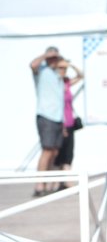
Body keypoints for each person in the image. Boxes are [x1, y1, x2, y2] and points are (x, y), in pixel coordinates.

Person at [28, 47, 68, 196]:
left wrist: (63, 123)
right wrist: (46, 55)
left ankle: (48, 183)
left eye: (55, 58)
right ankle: (39, 186)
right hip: (46, 116)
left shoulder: (58, 75)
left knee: (54, 152)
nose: (54, 60)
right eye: (52, 58)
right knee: (47, 150)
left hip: (58, 119)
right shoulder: (41, 71)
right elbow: (32, 65)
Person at [52, 58, 84, 177]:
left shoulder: (66, 82)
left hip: (70, 124)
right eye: (61, 68)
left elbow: (81, 76)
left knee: (68, 154)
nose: (63, 70)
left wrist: (70, 65)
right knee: (58, 156)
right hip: (60, 124)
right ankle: (53, 182)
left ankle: (67, 181)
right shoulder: (53, 85)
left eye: (65, 68)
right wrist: (62, 126)